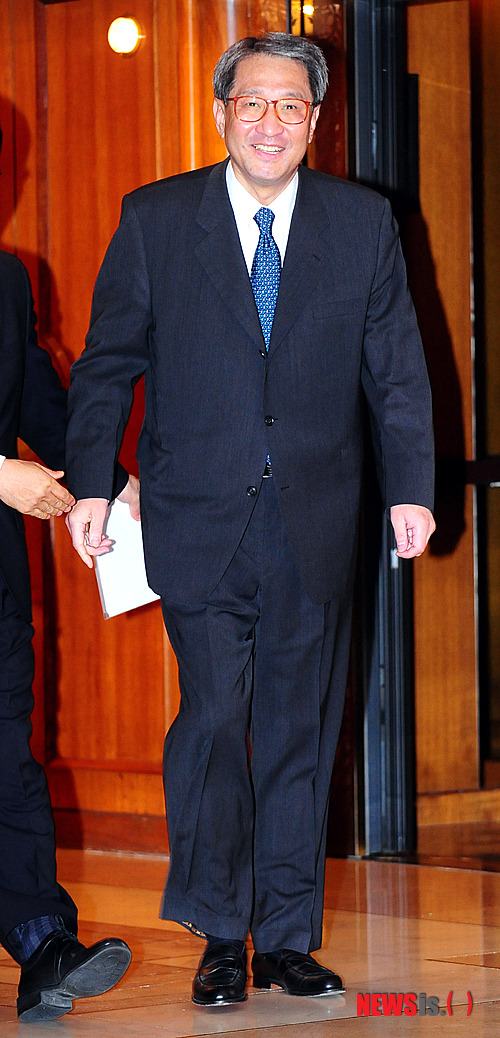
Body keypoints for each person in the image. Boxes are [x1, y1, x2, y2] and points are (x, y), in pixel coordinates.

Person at [65, 32, 435, 1008]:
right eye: (253, 103)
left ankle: (285, 937)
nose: (271, 122)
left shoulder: (362, 223)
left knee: (299, 730)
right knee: (216, 720)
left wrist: (412, 487)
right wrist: (93, 482)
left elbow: (395, 368)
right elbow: (106, 362)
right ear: (222, 113)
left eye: (291, 106)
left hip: (316, 518)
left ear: (315, 120)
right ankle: (220, 932)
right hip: (195, 518)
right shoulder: (155, 218)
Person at [0, 123, 141, 1021]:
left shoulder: (6, 279)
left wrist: (111, 485)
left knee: (7, 763)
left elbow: (42, 405)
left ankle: (44, 943)